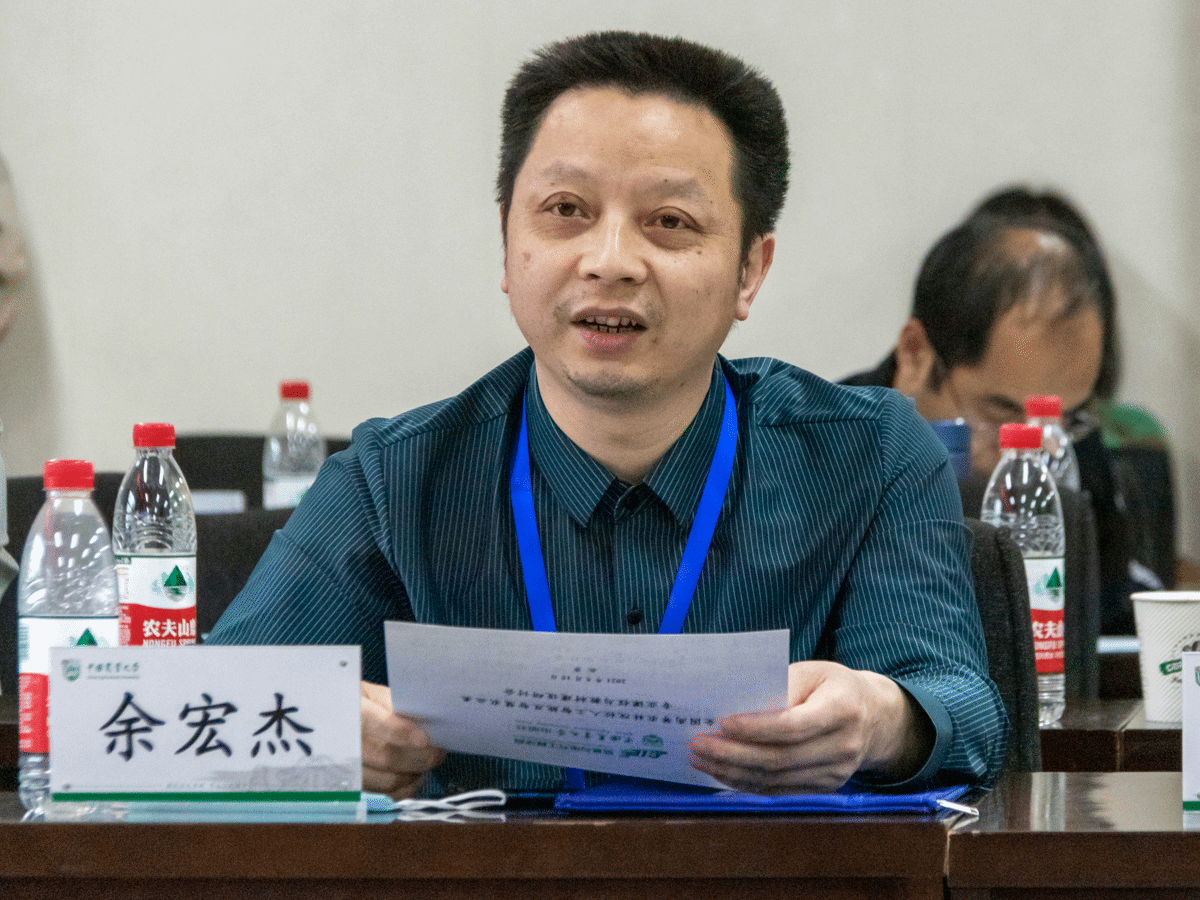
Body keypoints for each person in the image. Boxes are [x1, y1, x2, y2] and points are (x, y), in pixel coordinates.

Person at [207, 32, 1006, 797]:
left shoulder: (867, 456)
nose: (611, 261)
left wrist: (880, 720)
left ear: (749, 272)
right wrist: (314, 735)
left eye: (670, 222)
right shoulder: (395, 480)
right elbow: (196, 712)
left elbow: (962, 705)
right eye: (566, 209)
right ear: (506, 242)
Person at [842, 189, 1156, 634]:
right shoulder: (826, 450)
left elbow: (1109, 635)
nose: (1039, 456)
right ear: (915, 355)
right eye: (1003, 412)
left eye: (1063, 420)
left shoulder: (1075, 455)